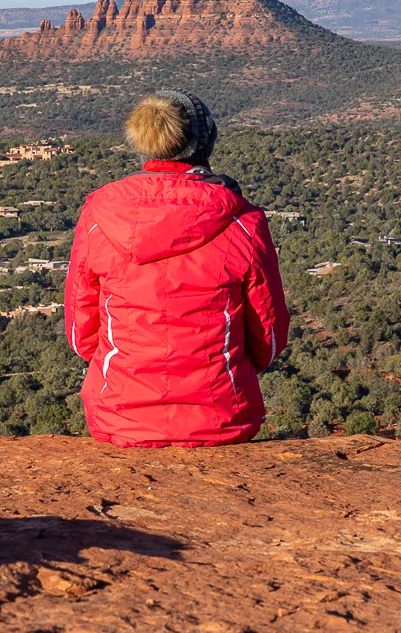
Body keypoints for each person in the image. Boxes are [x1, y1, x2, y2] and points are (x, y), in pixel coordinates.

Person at [63, 89, 289, 447]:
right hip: (222, 419)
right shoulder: (243, 219)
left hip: (118, 418)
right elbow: (270, 338)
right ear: (206, 141)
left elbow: (81, 334)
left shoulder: (98, 216)